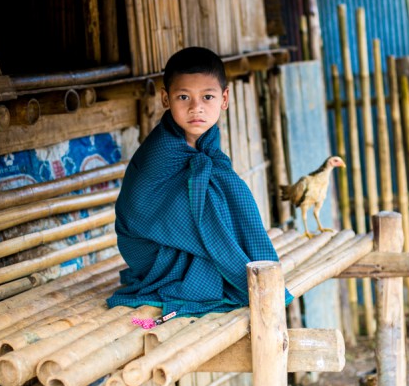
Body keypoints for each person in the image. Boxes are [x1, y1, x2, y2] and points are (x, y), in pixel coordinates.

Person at [107, 47, 292, 322]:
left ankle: (241, 262)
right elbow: (138, 211)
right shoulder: (162, 149)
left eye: (207, 97)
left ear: (224, 98)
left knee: (228, 188)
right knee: (218, 194)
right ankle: (236, 267)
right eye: (184, 97)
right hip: (151, 249)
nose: (196, 108)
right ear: (166, 99)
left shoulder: (207, 138)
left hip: (177, 239)